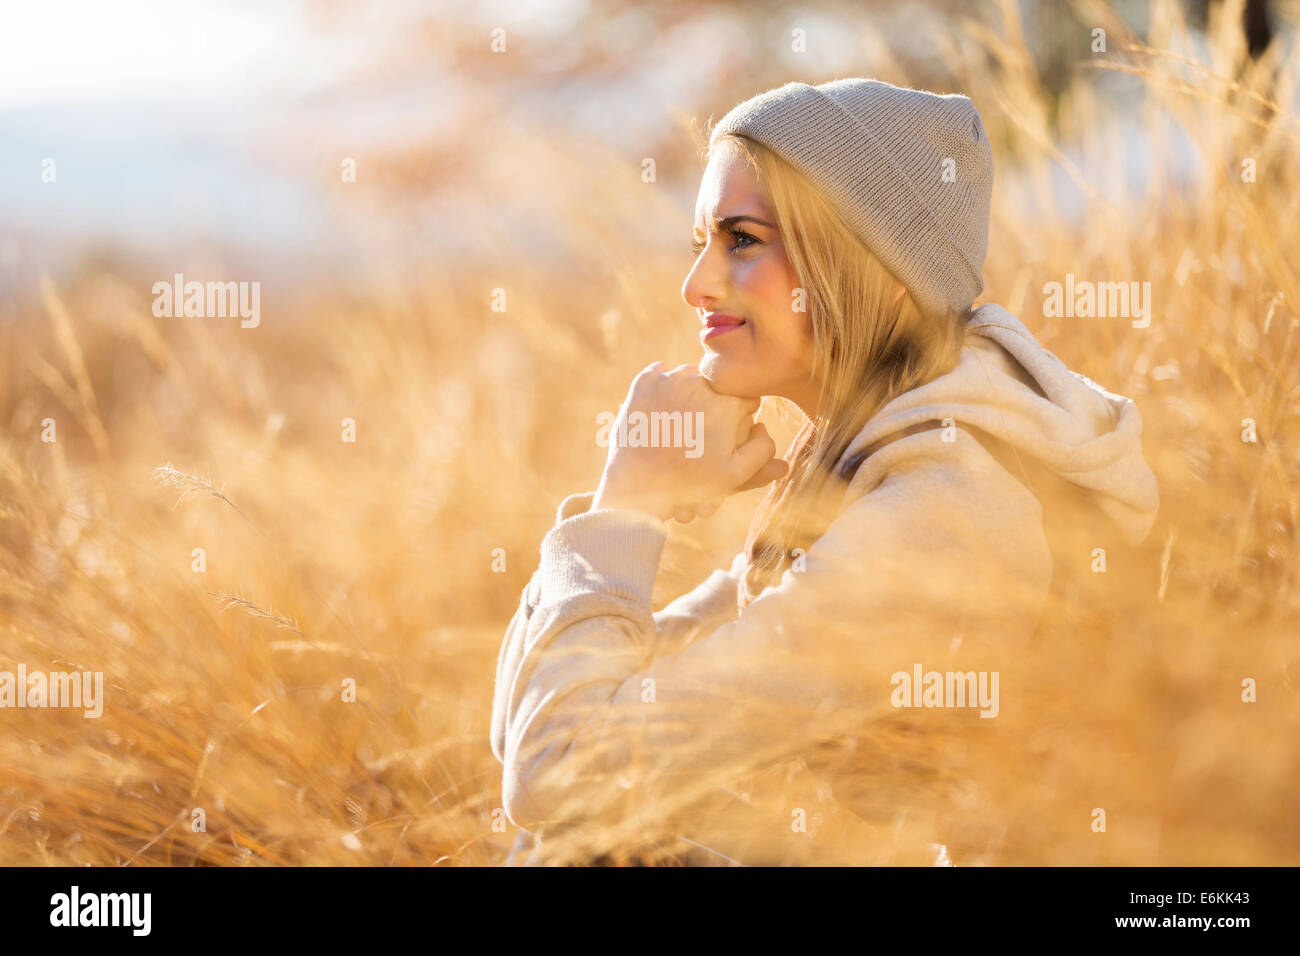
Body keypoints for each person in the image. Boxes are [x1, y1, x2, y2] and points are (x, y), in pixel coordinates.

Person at [489, 78, 1160, 865]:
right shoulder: (857, 463)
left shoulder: (946, 513)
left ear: (868, 266)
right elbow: (533, 737)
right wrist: (616, 506)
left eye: (741, 239)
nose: (696, 284)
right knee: (578, 837)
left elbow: (558, 768)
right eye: (699, 241)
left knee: (583, 847)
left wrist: (626, 509)